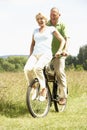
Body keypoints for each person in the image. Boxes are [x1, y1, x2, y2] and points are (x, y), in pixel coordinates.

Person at [24, 12, 65, 101]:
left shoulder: (51, 29)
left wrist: (59, 50)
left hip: (46, 54)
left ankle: (43, 89)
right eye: (38, 19)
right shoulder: (35, 31)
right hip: (35, 54)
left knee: (37, 68)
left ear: (45, 20)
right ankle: (34, 87)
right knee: (27, 69)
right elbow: (32, 44)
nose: (40, 21)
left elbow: (62, 40)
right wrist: (30, 55)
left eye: (42, 19)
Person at [47, 7, 69, 105]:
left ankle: (63, 96)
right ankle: (46, 93)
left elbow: (66, 39)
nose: (52, 16)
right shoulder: (47, 25)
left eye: (55, 14)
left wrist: (64, 50)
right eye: (51, 14)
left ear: (59, 15)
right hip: (48, 53)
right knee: (42, 71)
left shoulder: (62, 25)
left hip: (60, 54)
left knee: (59, 71)